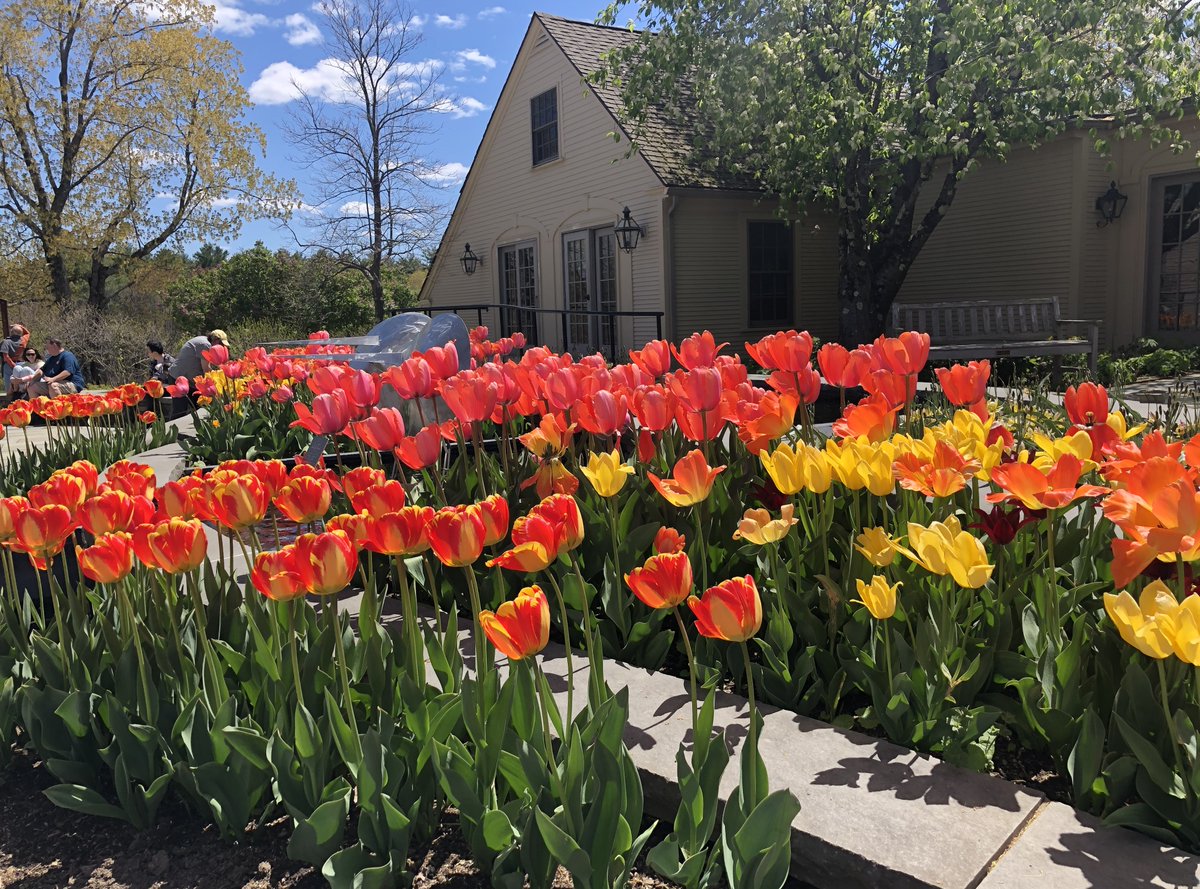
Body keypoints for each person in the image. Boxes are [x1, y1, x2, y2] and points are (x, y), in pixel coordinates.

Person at [0, 325, 27, 395]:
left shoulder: (6, 342)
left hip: (9, 365)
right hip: (22, 365)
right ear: (21, 333)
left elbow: (5, 356)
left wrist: (14, 366)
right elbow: (27, 332)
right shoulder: (23, 340)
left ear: (11, 332)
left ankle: (10, 404)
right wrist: (18, 326)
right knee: (22, 387)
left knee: (9, 388)